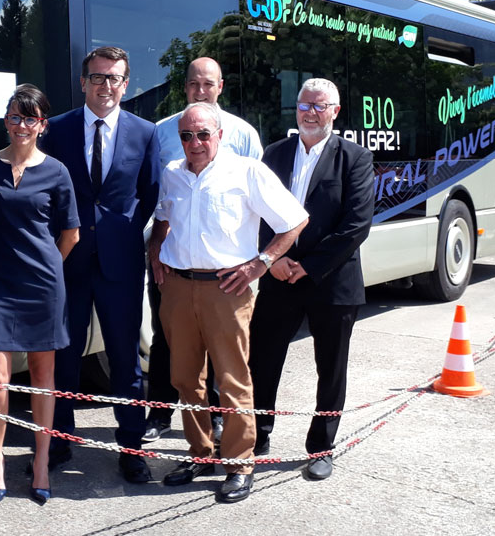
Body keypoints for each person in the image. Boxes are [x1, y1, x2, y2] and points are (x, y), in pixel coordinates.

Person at [149, 102, 307, 503]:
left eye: (203, 134)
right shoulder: (172, 174)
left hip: (228, 290)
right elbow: (164, 218)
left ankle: (239, 463)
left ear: (219, 134)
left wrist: (262, 263)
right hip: (179, 289)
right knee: (185, 378)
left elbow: (293, 219)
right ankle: (200, 453)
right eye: (187, 136)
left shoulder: (246, 171)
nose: (195, 143)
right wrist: (155, 251)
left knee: (233, 379)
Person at [39, 45, 161, 483]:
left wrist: (121, 232)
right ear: (83, 82)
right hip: (68, 262)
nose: (105, 86)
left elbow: (148, 194)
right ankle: (59, 440)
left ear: (126, 84)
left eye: (114, 78)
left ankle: (131, 446)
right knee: (64, 354)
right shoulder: (56, 129)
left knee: (125, 358)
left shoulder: (145, 133)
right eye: (97, 77)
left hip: (120, 264)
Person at [249, 78, 375, 480]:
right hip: (279, 278)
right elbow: (257, 212)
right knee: (263, 360)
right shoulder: (275, 153)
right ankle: (256, 436)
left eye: (320, 106)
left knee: (331, 367)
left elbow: (356, 224)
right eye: (305, 104)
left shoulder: (354, 158)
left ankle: (321, 447)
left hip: (331, 281)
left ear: (335, 112)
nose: (310, 112)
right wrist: (274, 259)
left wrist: (309, 265)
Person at [0, 84, 80, 506]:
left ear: (42, 125)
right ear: (6, 120)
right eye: (14, 116)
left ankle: (40, 462)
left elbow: (71, 234)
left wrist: (48, 265)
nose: (20, 125)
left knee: (42, 379)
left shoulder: (57, 172)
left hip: (43, 286)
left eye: (29, 118)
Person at [145, 56, 264, 443]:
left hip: (225, 273)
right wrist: (154, 249)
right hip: (173, 266)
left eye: (208, 84)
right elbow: (160, 201)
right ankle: (161, 415)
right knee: (171, 346)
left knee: (226, 362)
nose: (201, 90)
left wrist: (257, 262)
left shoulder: (243, 134)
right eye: (194, 84)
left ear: (221, 87)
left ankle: (225, 437)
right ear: (184, 86)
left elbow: (262, 203)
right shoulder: (161, 132)